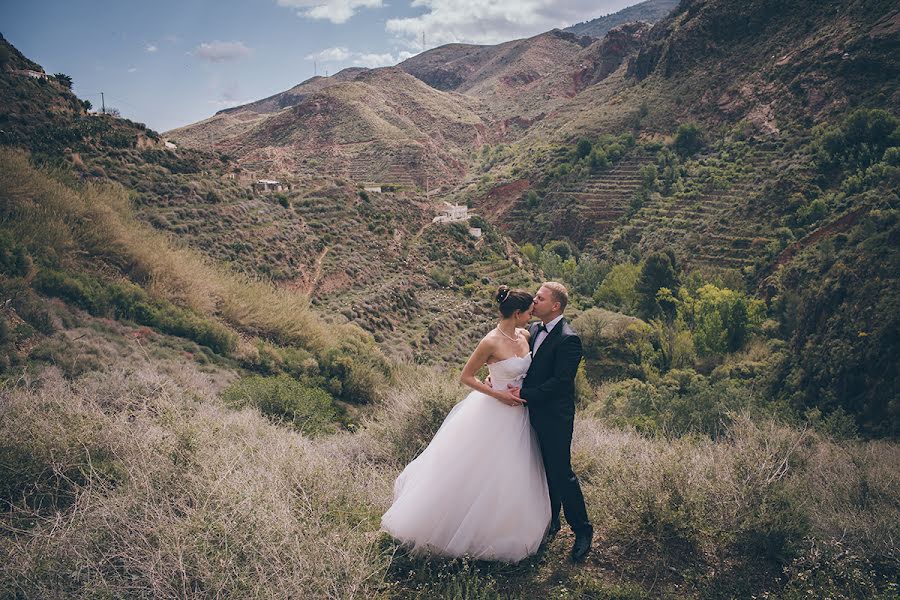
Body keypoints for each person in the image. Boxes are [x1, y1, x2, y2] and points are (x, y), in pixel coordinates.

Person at [380, 286, 551, 562]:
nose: (532, 316)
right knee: (475, 471)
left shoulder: (525, 335)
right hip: (493, 411)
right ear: (517, 313)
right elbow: (466, 377)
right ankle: (457, 529)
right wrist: (497, 393)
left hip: (520, 414)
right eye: (529, 312)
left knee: (511, 471)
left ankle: (503, 525)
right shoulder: (490, 342)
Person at [510, 281, 592, 562]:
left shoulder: (569, 339)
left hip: (555, 416)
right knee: (540, 470)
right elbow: (525, 367)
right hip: (529, 412)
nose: (534, 301)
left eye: (539, 298)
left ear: (555, 305)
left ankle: (582, 530)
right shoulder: (533, 329)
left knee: (560, 472)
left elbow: (560, 383)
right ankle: (551, 522)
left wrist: (525, 394)